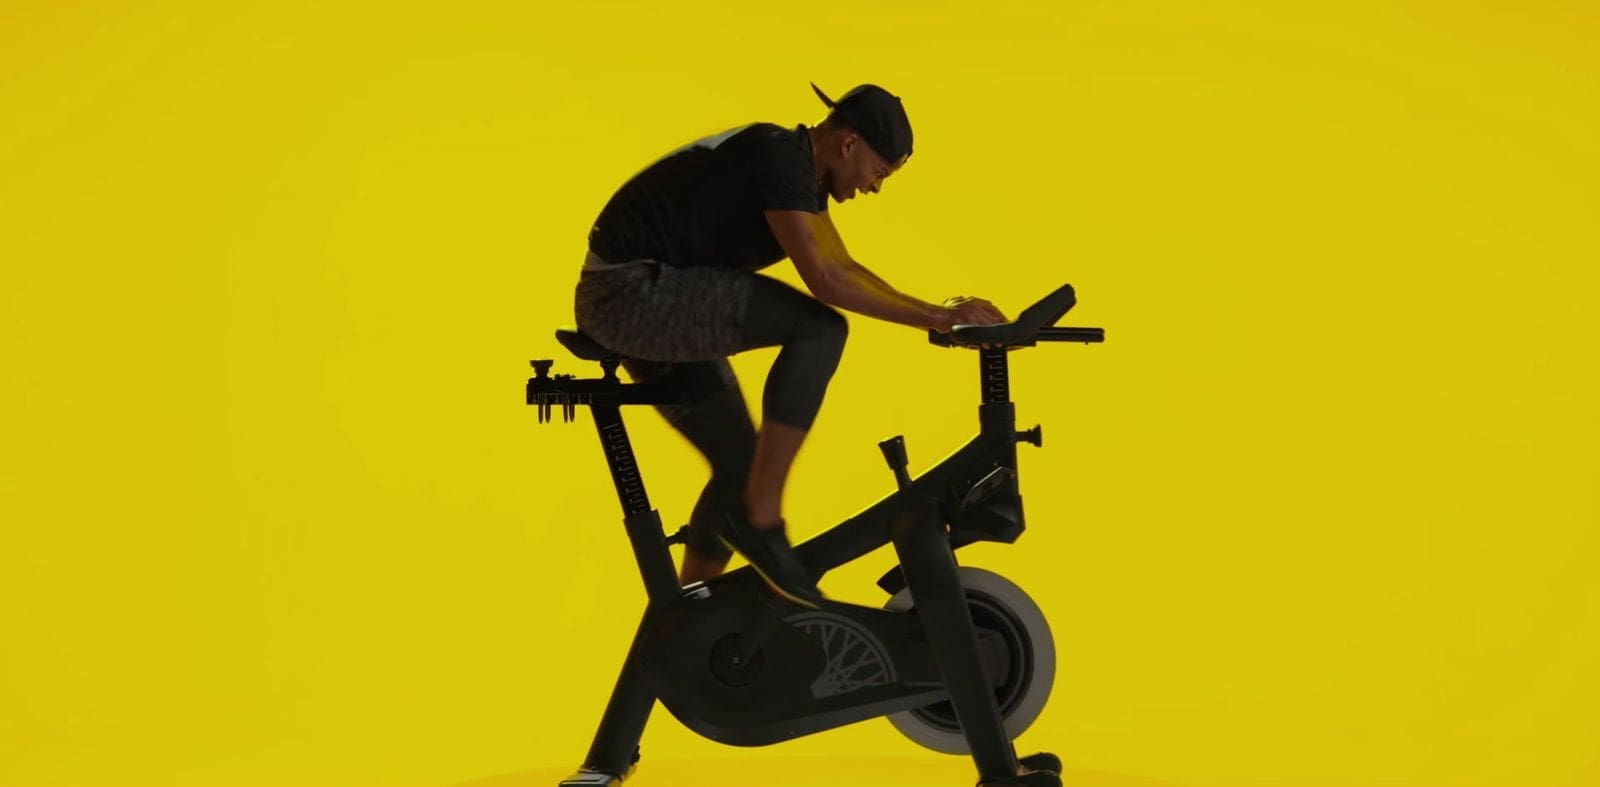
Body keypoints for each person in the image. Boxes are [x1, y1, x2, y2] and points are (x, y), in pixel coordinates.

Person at [573, 82, 1007, 608]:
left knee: (739, 466)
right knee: (820, 329)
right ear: (849, 144)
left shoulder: (795, 171)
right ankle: (763, 517)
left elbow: (845, 266)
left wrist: (942, 311)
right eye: (879, 172)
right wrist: (937, 319)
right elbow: (825, 281)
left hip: (649, 293)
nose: (874, 188)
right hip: (630, 293)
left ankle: (687, 617)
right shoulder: (776, 158)